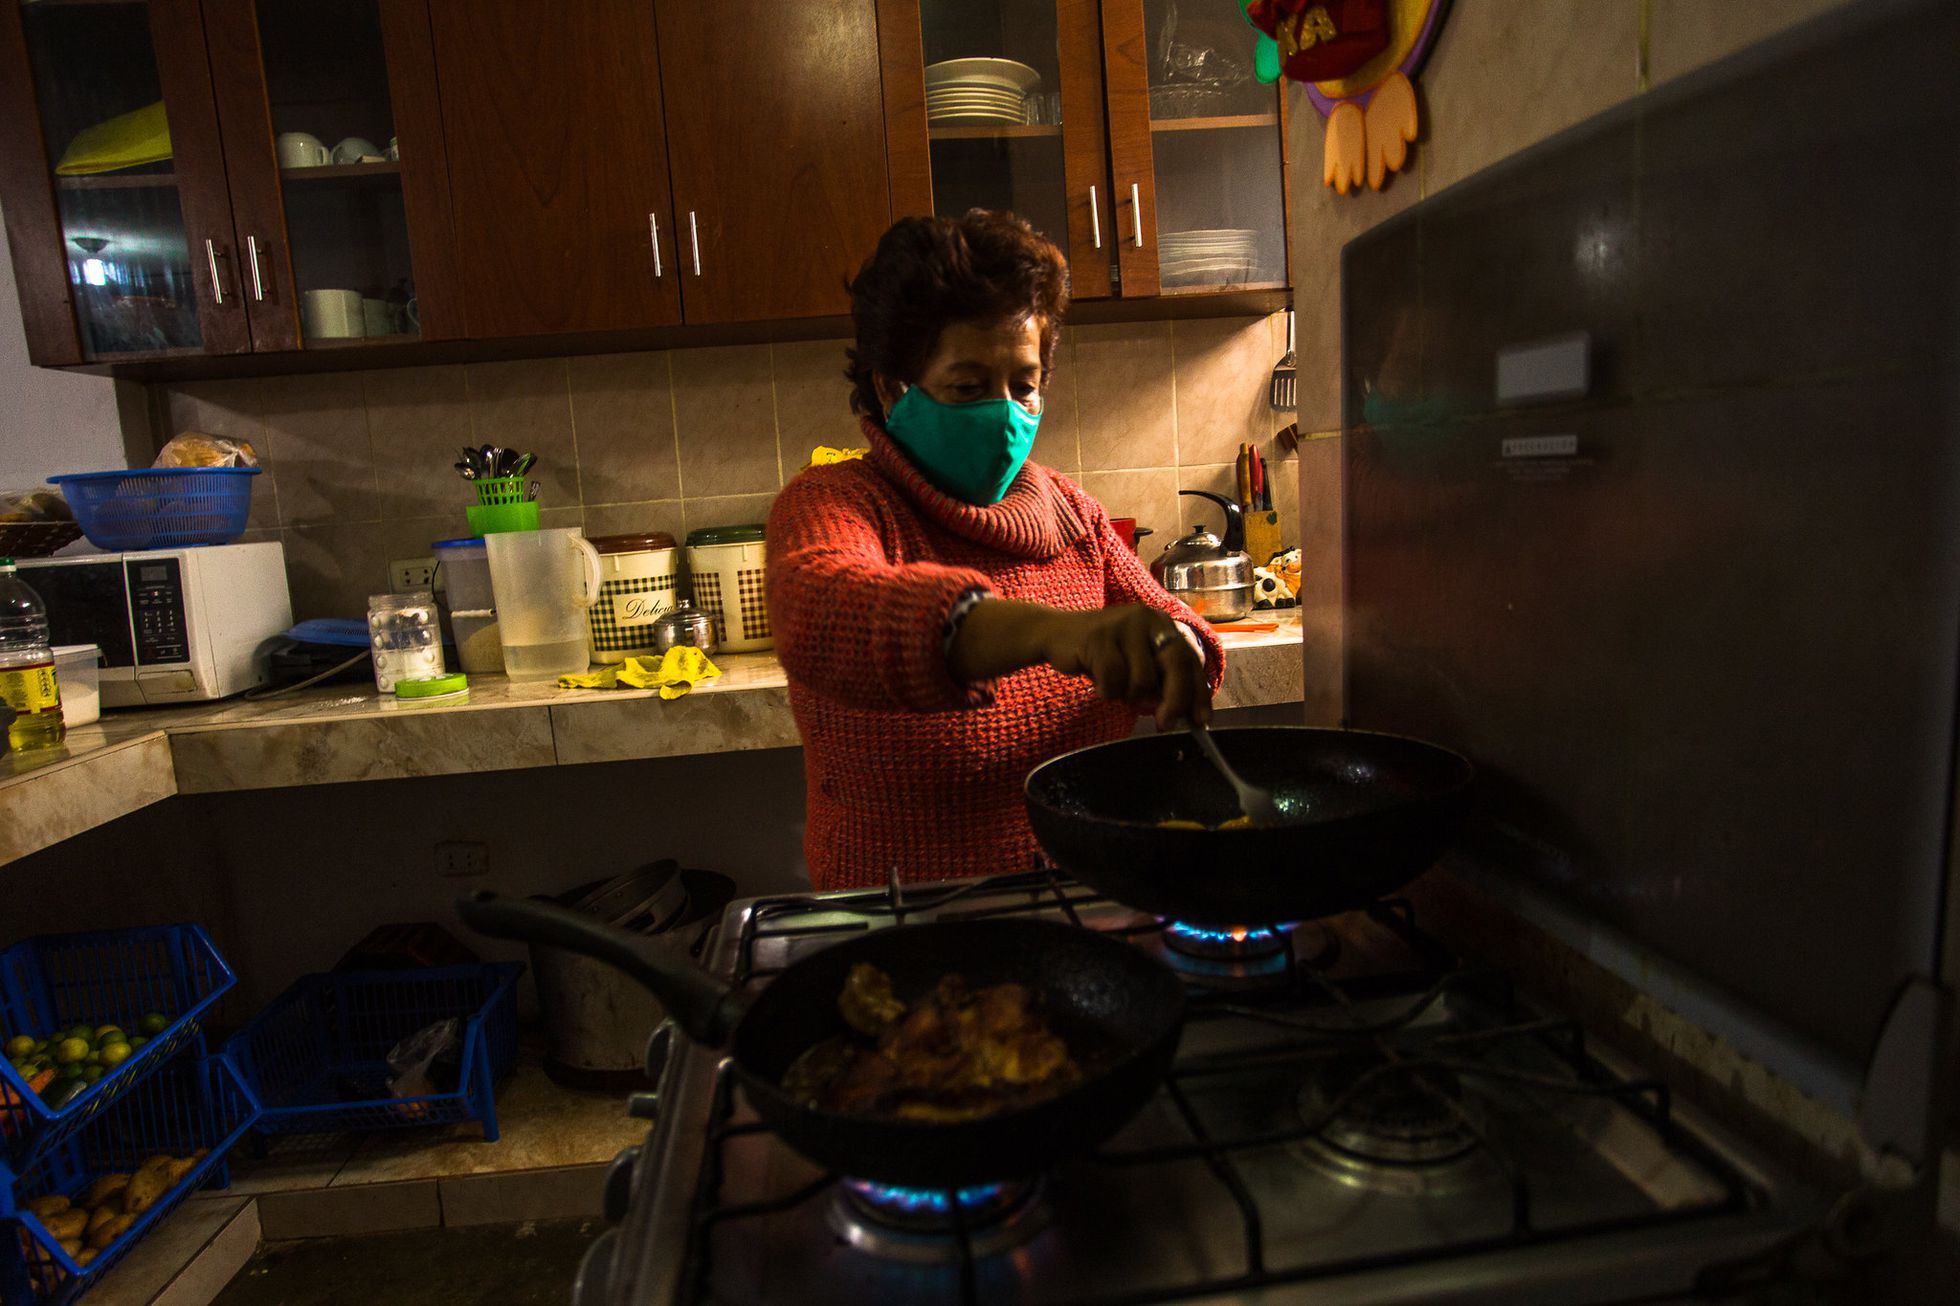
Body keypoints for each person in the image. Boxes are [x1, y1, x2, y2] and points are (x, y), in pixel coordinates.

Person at [766, 210, 1225, 890]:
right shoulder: (837, 503)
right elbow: (822, 611)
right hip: (906, 923)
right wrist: (1050, 633)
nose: (1005, 412)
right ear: (893, 384)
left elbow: (1170, 626)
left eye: (1024, 385)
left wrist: (1180, 651)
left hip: (1083, 899)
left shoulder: (1071, 513)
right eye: (968, 387)